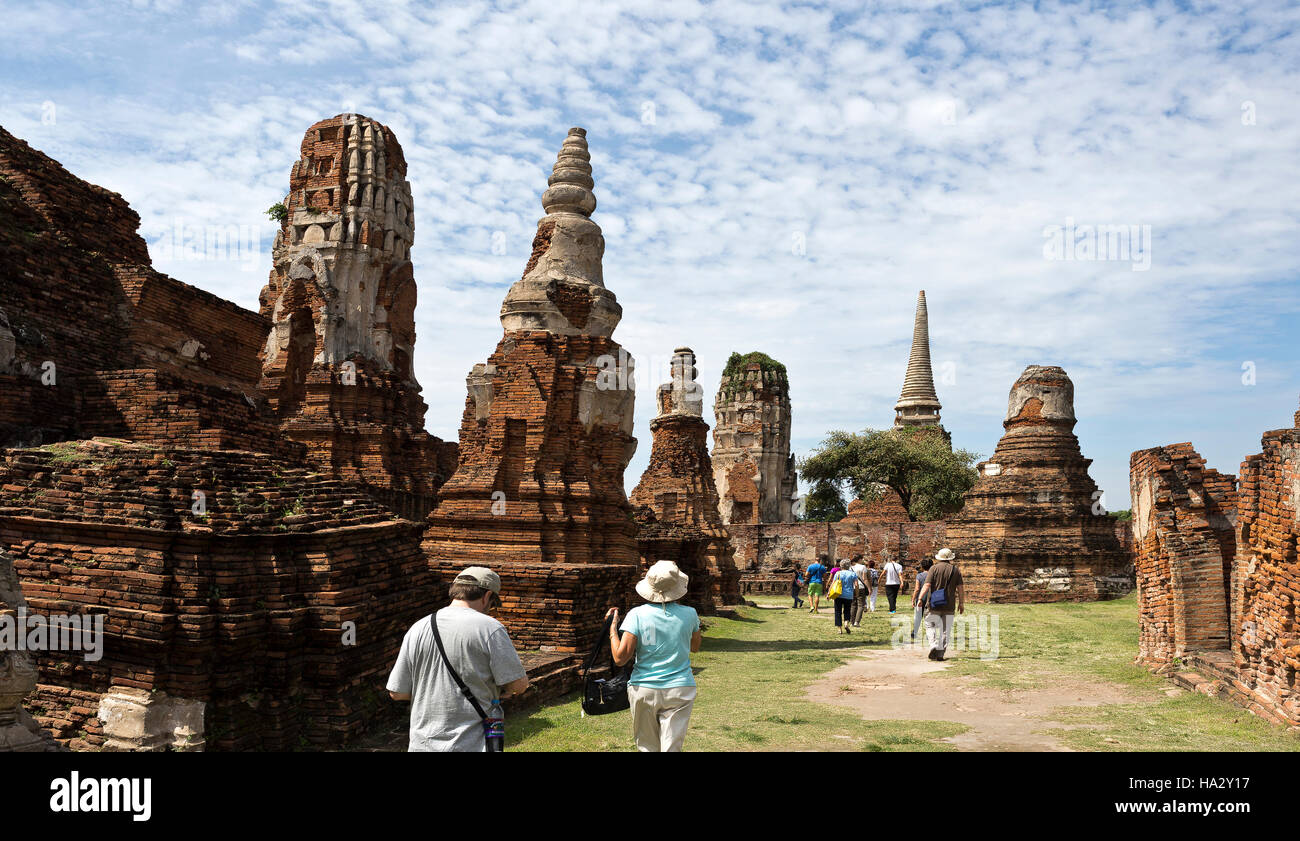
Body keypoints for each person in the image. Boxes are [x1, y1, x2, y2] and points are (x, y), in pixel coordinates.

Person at [387, 566, 530, 751]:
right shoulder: (489, 628)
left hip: (422, 745)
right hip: (469, 744)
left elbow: (397, 693)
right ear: (487, 596)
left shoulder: (418, 628)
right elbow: (518, 685)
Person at [606, 560, 703, 752]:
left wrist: (612, 628)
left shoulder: (637, 615)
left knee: (648, 747)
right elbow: (695, 647)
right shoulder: (690, 614)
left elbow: (620, 658)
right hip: (680, 687)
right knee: (671, 747)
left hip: (645, 687)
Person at [916, 548, 965, 661]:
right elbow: (960, 589)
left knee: (930, 625)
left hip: (934, 604)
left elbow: (927, 585)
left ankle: (933, 645)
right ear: (950, 558)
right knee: (945, 630)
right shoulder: (955, 570)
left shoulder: (933, 568)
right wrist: (961, 603)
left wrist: (920, 598)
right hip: (949, 604)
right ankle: (940, 654)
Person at [830, 560, 857, 634]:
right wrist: (856, 593)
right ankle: (846, 624)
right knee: (847, 610)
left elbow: (833, 584)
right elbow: (856, 585)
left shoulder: (838, 573)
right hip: (849, 595)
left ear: (841, 565)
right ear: (849, 565)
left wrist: (829, 593)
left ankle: (839, 629)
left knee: (838, 611)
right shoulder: (853, 574)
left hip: (838, 594)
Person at [910, 559, 933, 644]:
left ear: (922, 567)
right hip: (930, 598)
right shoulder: (933, 575)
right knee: (929, 617)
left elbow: (917, 589)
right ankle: (929, 634)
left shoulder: (919, 576)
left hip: (921, 598)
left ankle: (914, 632)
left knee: (918, 617)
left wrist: (913, 599)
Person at [850, 554, 868, 627]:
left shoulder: (850, 567)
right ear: (860, 559)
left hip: (852, 587)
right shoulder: (863, 567)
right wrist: (869, 588)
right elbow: (865, 579)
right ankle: (857, 622)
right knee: (861, 605)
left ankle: (851, 622)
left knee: (853, 605)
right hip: (860, 587)